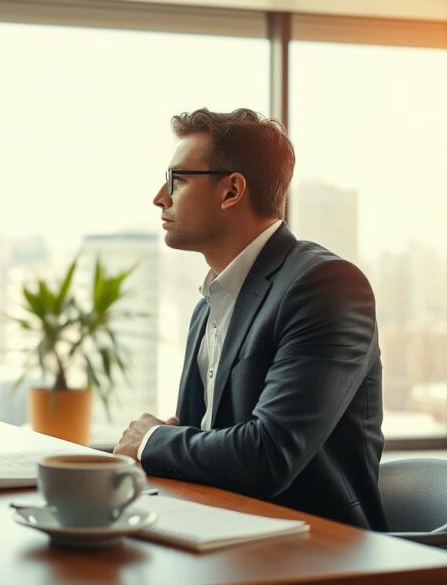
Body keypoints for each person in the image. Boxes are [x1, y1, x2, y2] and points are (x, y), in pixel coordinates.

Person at [113, 108, 387, 531]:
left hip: (314, 550)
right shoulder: (209, 304)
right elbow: (197, 439)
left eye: (177, 180)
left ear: (231, 191)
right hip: (217, 531)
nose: (159, 197)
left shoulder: (327, 287)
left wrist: (150, 440)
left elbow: (269, 454)